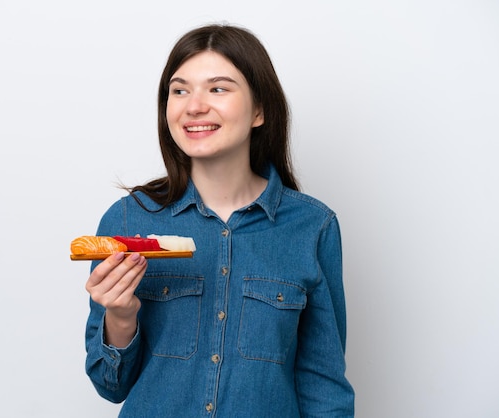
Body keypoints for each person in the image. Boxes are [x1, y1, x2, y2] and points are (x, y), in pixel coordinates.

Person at [84, 23, 355, 417]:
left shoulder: (313, 228)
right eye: (180, 90)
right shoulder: (128, 221)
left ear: (259, 110)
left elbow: (324, 387)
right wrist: (120, 316)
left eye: (218, 88)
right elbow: (110, 386)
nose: (194, 106)